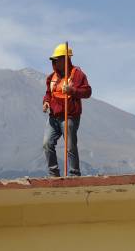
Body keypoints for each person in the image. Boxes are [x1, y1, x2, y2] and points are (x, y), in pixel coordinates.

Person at [43, 43, 92, 177]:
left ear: (65, 59)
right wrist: (46, 102)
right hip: (53, 117)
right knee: (47, 143)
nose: (54, 62)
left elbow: (87, 91)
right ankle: (53, 174)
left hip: (69, 116)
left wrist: (72, 90)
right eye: (54, 60)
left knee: (70, 146)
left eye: (57, 59)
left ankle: (74, 174)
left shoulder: (77, 75)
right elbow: (48, 93)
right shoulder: (51, 78)